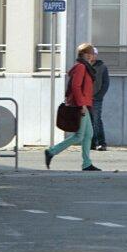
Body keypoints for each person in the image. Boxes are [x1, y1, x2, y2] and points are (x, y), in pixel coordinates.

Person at [44, 43, 101, 171]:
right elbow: (76, 86)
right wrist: (82, 105)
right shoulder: (81, 67)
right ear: (86, 55)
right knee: (79, 136)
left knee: (88, 134)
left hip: (85, 104)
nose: (94, 56)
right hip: (80, 106)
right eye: (92, 54)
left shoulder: (85, 67)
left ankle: (87, 163)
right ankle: (51, 152)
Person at [90, 50, 109, 151]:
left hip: (96, 99)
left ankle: (102, 143)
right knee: (88, 122)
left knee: (97, 120)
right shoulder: (84, 66)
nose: (92, 56)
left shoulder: (102, 67)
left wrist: (99, 96)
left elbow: (106, 83)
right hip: (85, 99)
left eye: (94, 54)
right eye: (90, 54)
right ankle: (92, 143)